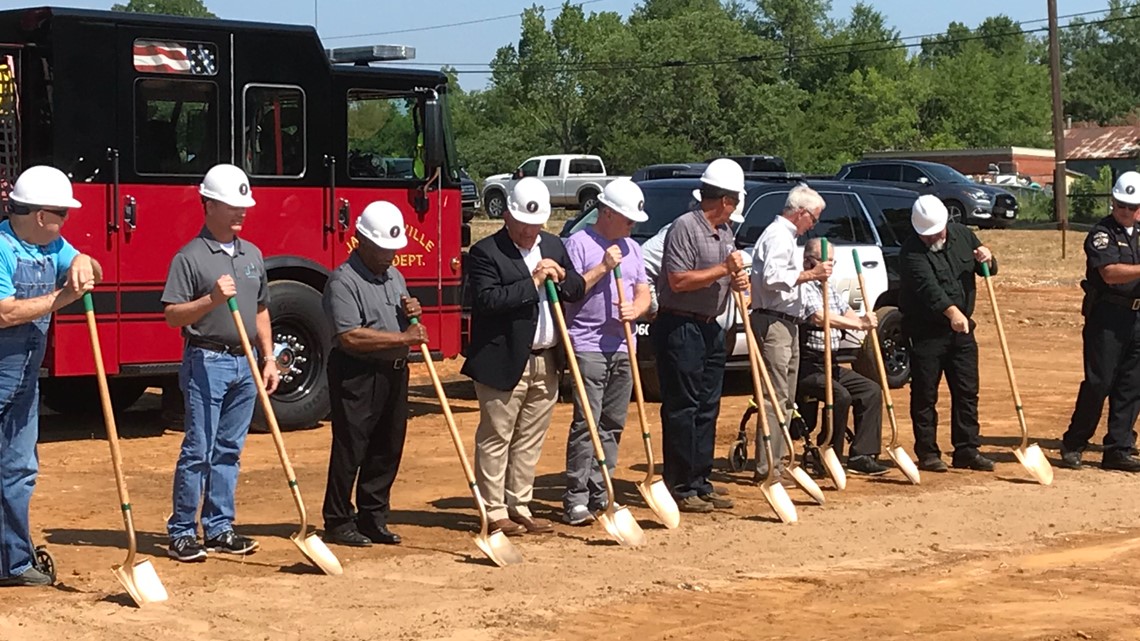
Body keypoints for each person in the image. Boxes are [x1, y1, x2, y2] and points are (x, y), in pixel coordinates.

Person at [161, 164, 279, 562]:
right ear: (208, 204)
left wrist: (269, 358)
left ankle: (219, 526)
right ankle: (181, 530)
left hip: (245, 363)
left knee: (230, 447)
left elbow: (261, 310)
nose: (240, 212)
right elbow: (173, 315)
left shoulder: (253, 254)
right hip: (206, 360)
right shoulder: (189, 257)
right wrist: (211, 299)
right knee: (199, 448)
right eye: (231, 205)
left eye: (243, 205)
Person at [462, 177, 585, 536]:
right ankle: (494, 508)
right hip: (502, 359)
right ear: (508, 218)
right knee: (497, 435)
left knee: (531, 436)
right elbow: (486, 301)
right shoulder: (487, 253)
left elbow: (576, 289)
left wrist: (561, 277)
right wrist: (532, 282)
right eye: (524, 224)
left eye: (536, 225)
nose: (531, 231)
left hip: (545, 359)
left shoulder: (553, 245)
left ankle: (520, 504)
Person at [0, 166, 100, 587]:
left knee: (19, 469)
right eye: (63, 213)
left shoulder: (53, 244)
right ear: (42, 215)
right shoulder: (2, 248)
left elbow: (87, 263)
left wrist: (81, 260)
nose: (66, 222)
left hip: (25, 378)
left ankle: (13, 562)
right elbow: (4, 312)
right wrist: (62, 297)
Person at [321, 202, 426, 547]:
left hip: (394, 372)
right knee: (352, 447)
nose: (390, 256)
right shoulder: (343, 281)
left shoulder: (394, 275)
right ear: (361, 241)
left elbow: (399, 317)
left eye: (393, 249)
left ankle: (373, 517)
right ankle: (338, 520)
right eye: (383, 249)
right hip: (358, 372)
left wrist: (412, 312)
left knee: (387, 446)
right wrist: (403, 338)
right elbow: (349, 335)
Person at [653, 159, 748, 513]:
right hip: (680, 324)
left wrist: (736, 279)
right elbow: (678, 280)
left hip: (711, 325)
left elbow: (727, 273)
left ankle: (699, 479)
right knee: (683, 406)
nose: (735, 207)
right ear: (724, 199)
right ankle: (679, 483)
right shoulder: (684, 228)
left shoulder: (725, 232)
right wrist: (724, 269)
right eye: (735, 200)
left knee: (708, 405)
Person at [561, 179, 651, 525]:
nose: (631, 227)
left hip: (623, 345)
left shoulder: (633, 248)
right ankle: (576, 498)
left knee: (613, 424)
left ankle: (602, 491)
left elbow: (643, 291)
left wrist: (637, 309)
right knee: (587, 424)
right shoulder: (578, 244)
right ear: (608, 213)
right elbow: (571, 291)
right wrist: (602, 268)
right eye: (627, 220)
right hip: (587, 345)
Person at [899, 194, 995, 473]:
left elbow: (986, 266)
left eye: (935, 233)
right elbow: (929, 289)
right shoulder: (911, 251)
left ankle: (967, 449)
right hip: (926, 331)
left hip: (962, 331)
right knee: (925, 394)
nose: (931, 239)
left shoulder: (964, 235)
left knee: (967, 390)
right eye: (925, 235)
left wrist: (987, 256)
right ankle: (928, 452)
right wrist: (952, 313)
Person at [1060, 171, 1140, 472]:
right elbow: (1109, 272)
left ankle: (1118, 448)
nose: (1126, 212)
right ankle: (1074, 442)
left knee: (1132, 384)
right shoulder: (1101, 233)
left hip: (1136, 316)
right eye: (1121, 205)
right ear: (1113, 203)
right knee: (1099, 382)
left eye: (1132, 207)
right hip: (1107, 317)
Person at [749, 184, 829, 480]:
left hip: (786, 322)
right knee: (774, 395)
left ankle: (778, 461)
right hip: (773, 322)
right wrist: (811, 274)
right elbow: (772, 278)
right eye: (814, 218)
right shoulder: (778, 236)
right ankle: (769, 466)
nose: (814, 225)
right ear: (801, 213)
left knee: (785, 396)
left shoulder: (786, 238)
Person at [795, 238, 888, 476]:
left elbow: (844, 310)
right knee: (840, 395)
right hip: (808, 366)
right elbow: (818, 316)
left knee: (870, 390)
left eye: (832, 263)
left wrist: (863, 320)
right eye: (826, 262)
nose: (830, 268)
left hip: (831, 364)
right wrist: (856, 325)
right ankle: (829, 452)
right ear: (809, 261)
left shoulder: (827, 287)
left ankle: (861, 455)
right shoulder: (803, 286)